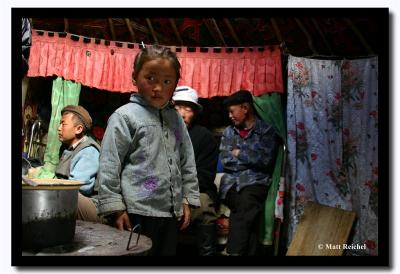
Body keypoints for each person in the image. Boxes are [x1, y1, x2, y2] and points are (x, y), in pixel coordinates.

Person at [96, 45, 200, 256]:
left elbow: (187, 161)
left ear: (175, 85)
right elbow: (109, 164)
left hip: (170, 213)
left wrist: (187, 199)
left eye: (166, 81)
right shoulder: (124, 117)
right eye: (150, 78)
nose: (158, 88)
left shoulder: (176, 119)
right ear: (134, 77)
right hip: (135, 211)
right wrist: (116, 208)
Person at [219, 90, 277, 256]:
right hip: (231, 184)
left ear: (245, 108)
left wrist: (240, 153)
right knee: (246, 209)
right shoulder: (229, 132)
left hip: (255, 183)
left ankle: (233, 252)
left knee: (246, 203)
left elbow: (265, 160)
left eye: (232, 111)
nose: (230, 116)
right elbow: (226, 159)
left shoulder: (266, 131)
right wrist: (250, 158)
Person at [173, 86, 219, 256]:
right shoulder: (159, 132)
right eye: (177, 107)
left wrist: (180, 194)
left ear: (195, 113)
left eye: (188, 108)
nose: (182, 113)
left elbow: (205, 178)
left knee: (204, 205)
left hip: (196, 190)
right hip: (166, 190)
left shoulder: (204, 137)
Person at [55, 105, 101, 221]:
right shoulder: (68, 148)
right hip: (72, 197)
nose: (59, 128)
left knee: (64, 195)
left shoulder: (88, 150)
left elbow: (81, 186)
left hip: (93, 206)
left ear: (78, 129)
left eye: (63, 124)